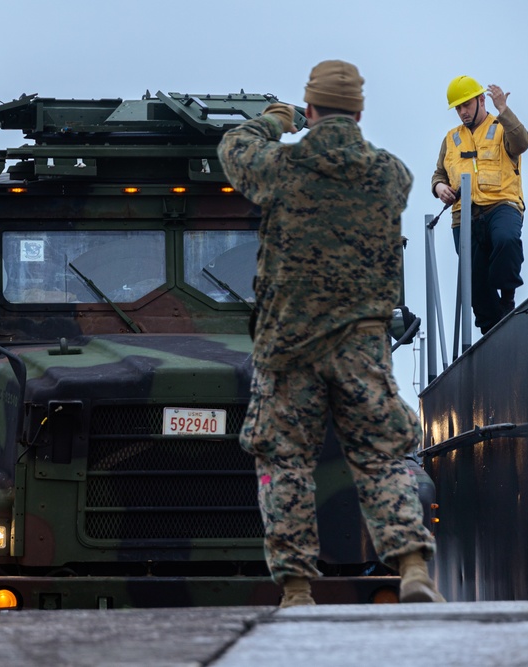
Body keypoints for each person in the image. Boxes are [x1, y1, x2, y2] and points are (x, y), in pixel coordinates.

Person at [217, 60, 444, 607]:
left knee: (285, 462)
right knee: (382, 457)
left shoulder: (281, 168)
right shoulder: (392, 174)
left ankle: (296, 589)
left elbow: (233, 150)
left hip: (289, 347)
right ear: (361, 112)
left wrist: (274, 119)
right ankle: (412, 565)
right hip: (362, 346)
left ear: (310, 109)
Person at [431, 76, 528, 334]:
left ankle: (508, 299)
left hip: (500, 205)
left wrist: (504, 111)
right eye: (458, 107)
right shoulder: (451, 138)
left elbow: (523, 143)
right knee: (476, 283)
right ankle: (493, 333)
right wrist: (439, 188)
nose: (462, 112)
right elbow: (439, 174)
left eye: (467, 105)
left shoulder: (501, 127)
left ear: (481, 100)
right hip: (463, 216)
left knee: (506, 240)